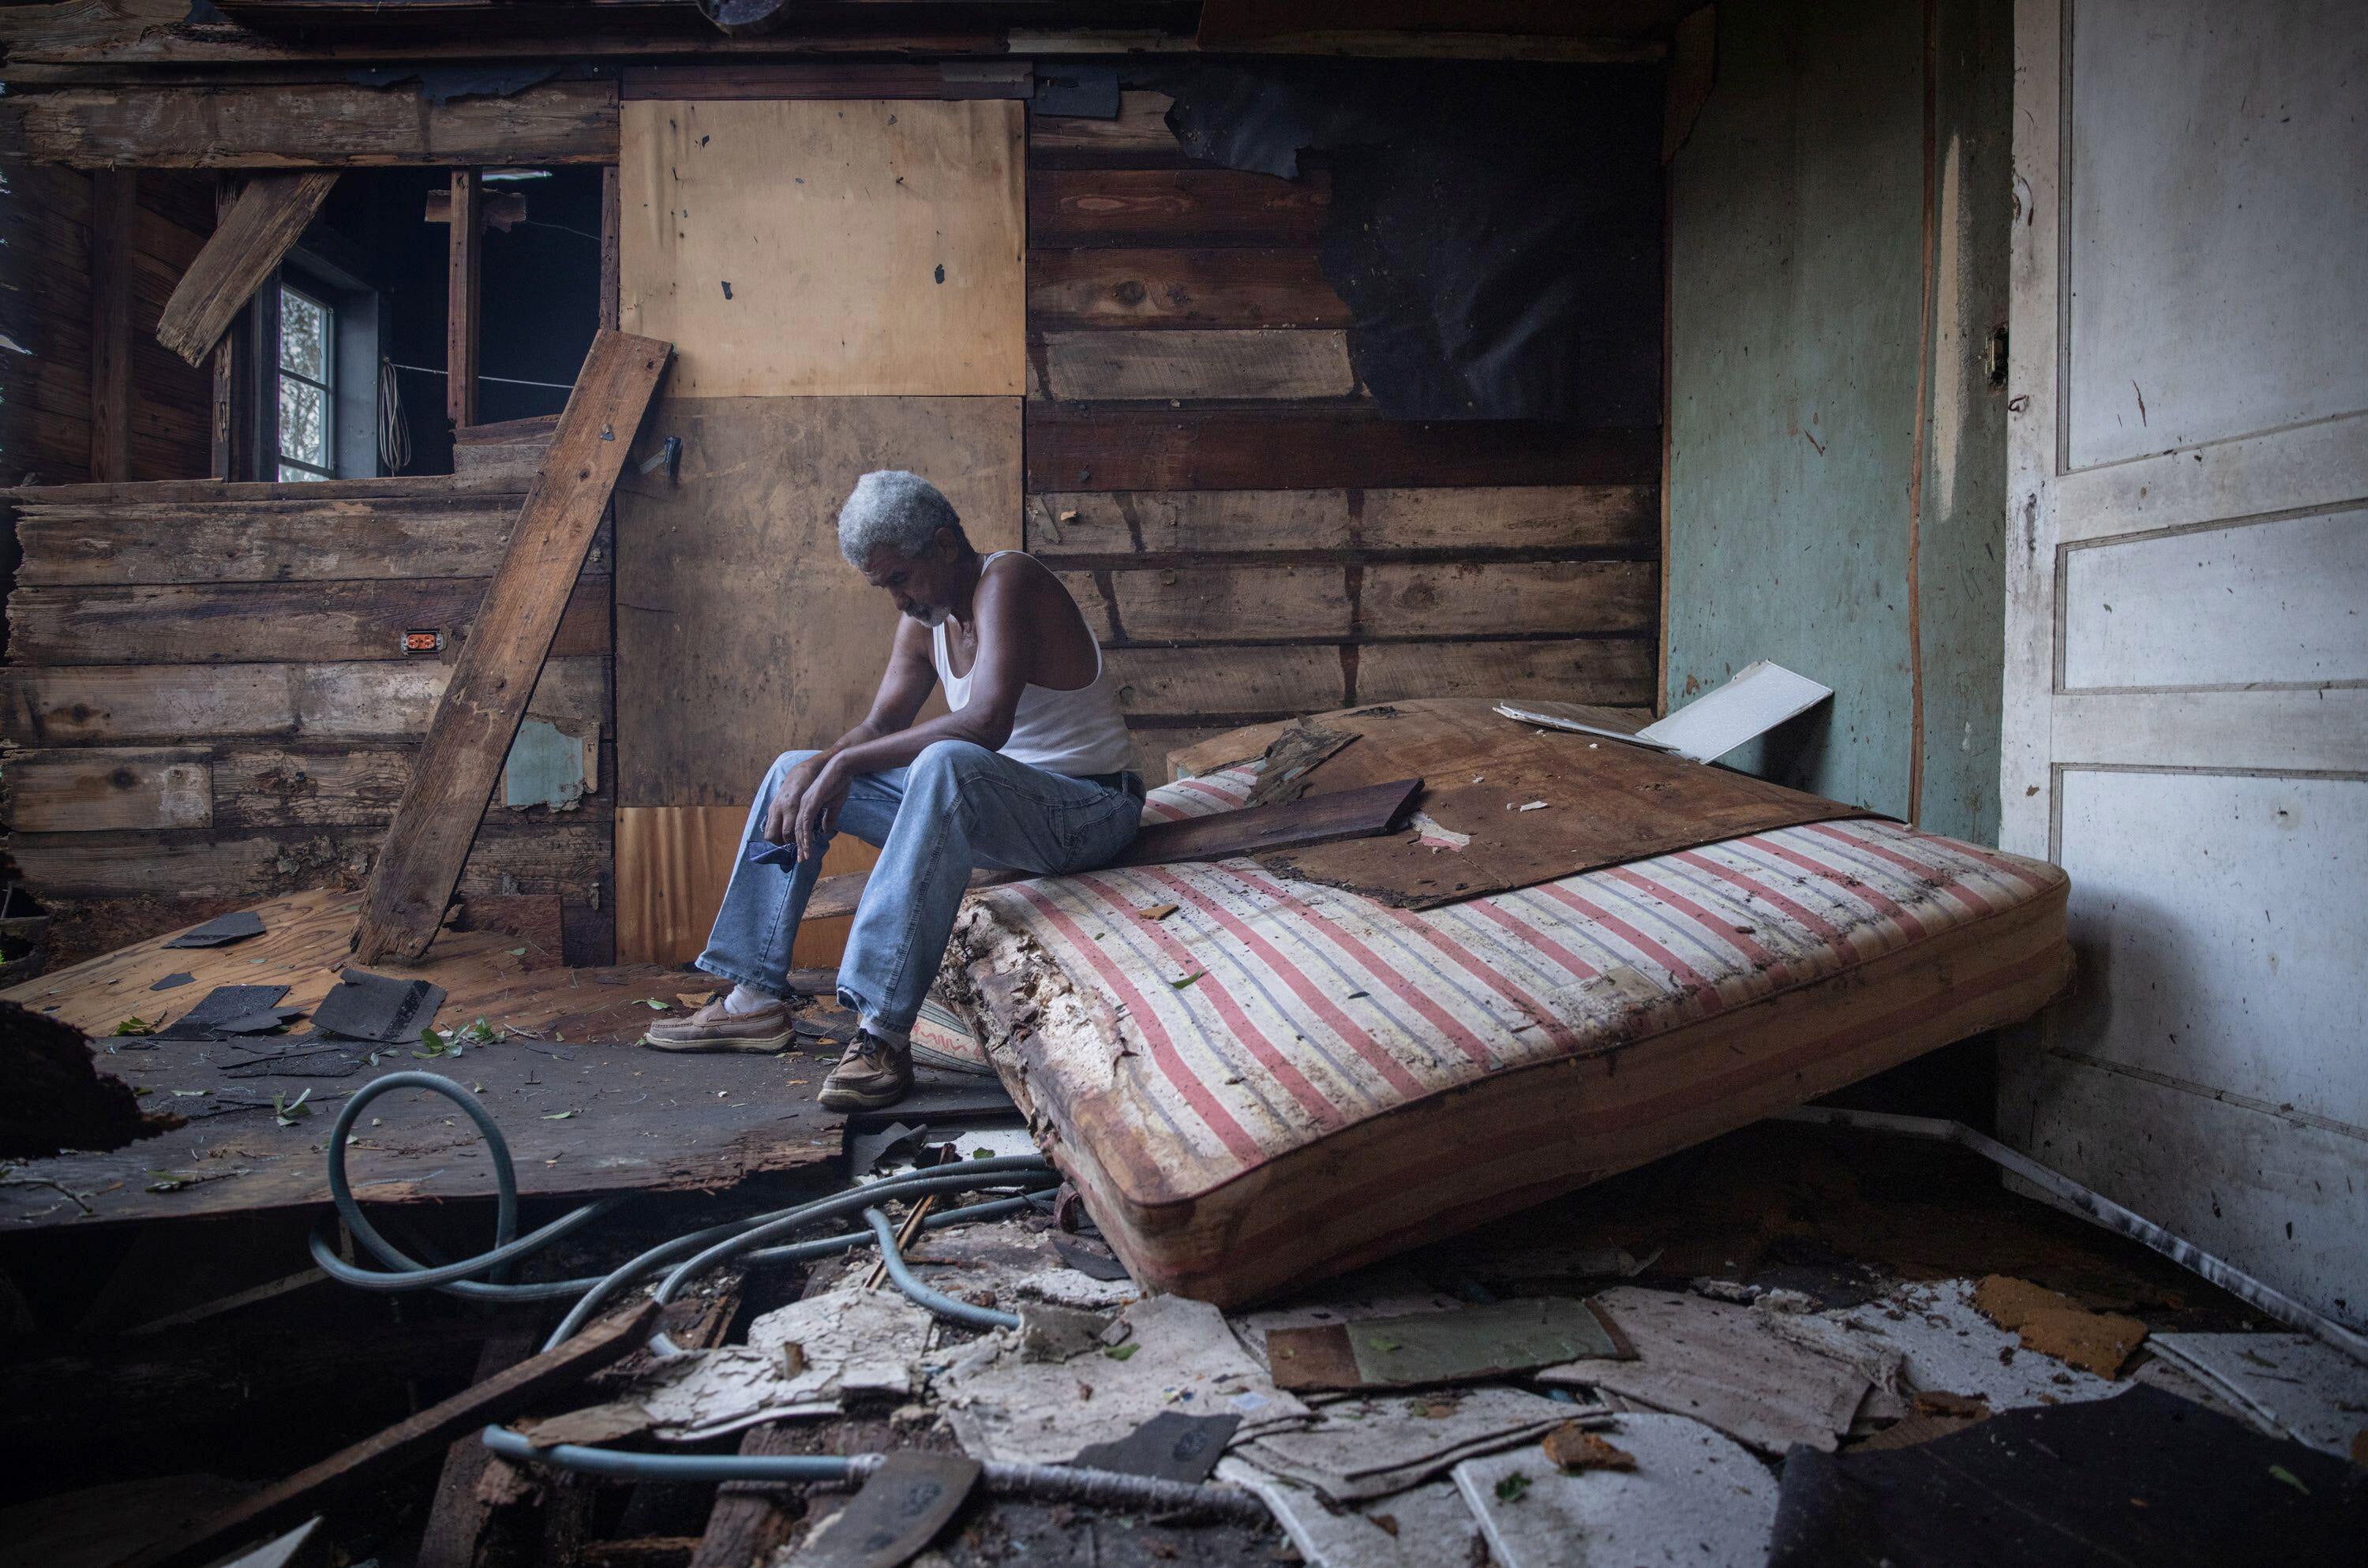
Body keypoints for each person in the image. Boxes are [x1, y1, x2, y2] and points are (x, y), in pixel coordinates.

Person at [643, 470, 1142, 1111]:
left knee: (945, 762)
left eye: (901, 578)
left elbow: (988, 722)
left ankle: (881, 1034)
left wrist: (845, 762)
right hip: (1004, 813)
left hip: (1091, 810)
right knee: (793, 769)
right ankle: (752, 997)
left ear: (943, 544)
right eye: (885, 588)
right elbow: (880, 725)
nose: (898, 600)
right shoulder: (926, 619)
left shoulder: (1007, 581)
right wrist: (822, 763)